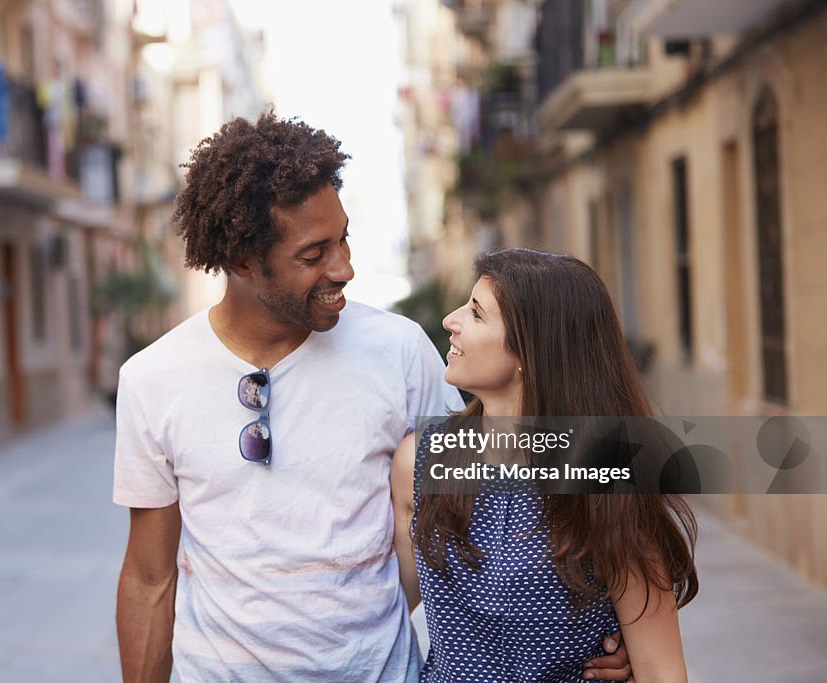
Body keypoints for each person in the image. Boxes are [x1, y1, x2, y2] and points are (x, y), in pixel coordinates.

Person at [114, 113, 633, 682]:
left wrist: (622, 628)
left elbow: (526, 465)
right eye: (314, 255)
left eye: (344, 240)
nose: (345, 268)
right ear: (241, 261)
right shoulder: (152, 378)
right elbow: (148, 578)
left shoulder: (399, 350)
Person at [391, 248, 698, 682]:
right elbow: (387, 608)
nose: (451, 320)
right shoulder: (419, 462)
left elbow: (661, 670)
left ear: (530, 352)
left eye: (477, 314)